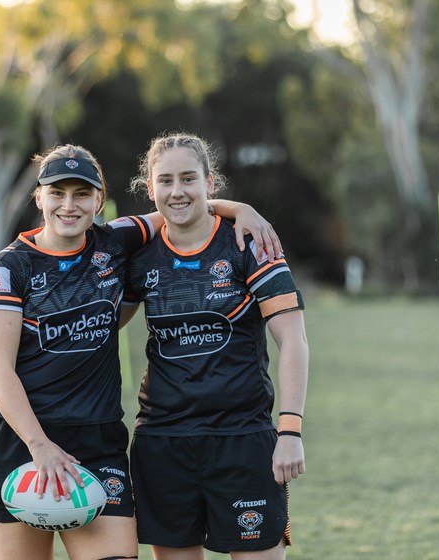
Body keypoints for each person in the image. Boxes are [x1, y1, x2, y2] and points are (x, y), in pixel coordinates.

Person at [0, 143, 281, 560]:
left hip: (97, 444)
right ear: (39, 197)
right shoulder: (8, 270)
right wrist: (39, 446)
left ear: (99, 199)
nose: (69, 205)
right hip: (18, 445)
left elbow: (182, 206)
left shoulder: (115, 242)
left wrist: (242, 209)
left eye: (82, 194)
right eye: (57, 193)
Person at [122, 132, 310, 559]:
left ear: (210, 183)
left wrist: (291, 430)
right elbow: (100, 325)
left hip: (242, 439)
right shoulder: (139, 254)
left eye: (189, 179)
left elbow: (293, 340)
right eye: (165, 181)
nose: (177, 191)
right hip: (162, 442)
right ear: (149, 189)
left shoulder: (250, 243)